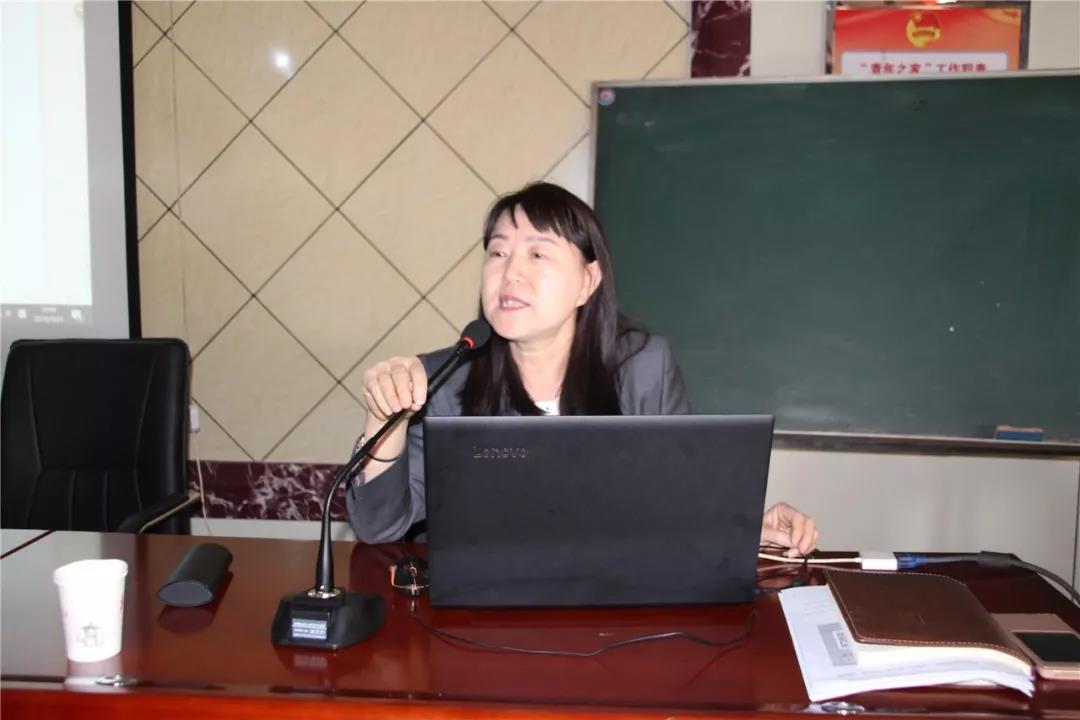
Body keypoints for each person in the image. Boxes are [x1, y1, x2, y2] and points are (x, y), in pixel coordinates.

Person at [347, 182, 818, 556]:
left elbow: (677, 500)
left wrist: (746, 527)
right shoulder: (444, 378)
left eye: (537, 254)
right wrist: (384, 421)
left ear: (586, 282)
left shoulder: (643, 366)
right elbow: (378, 528)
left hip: (611, 603)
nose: (511, 272)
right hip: (478, 617)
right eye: (498, 252)